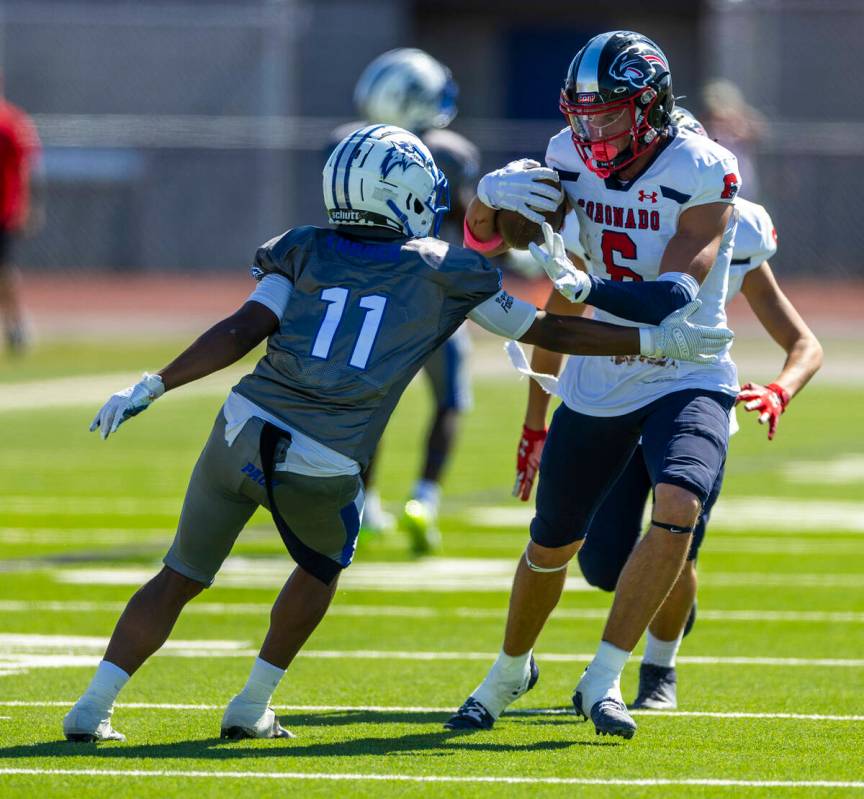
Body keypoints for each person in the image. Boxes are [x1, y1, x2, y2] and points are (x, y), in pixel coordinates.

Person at [61, 123, 728, 743]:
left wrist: (152, 383)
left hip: (241, 425)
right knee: (319, 568)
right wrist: (650, 335)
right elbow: (547, 329)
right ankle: (251, 701)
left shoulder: (300, 247)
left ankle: (91, 706)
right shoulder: (443, 268)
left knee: (178, 574)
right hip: (322, 455)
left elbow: (240, 330)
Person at [447, 30, 744, 740]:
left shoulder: (704, 166)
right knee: (553, 542)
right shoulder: (562, 154)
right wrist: (488, 201)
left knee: (678, 504)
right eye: (583, 115)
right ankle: (508, 669)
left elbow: (675, 288)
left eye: (609, 113)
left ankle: (606, 676)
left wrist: (589, 284)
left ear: (651, 106)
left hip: (687, 363)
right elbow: (489, 246)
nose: (593, 130)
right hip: (600, 372)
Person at [517, 106, 823, 712]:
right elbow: (557, 325)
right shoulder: (603, 212)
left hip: (686, 388)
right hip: (606, 394)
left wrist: (780, 388)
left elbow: (802, 341)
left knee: (675, 522)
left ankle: (658, 668)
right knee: (602, 564)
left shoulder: (727, 222)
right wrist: (536, 422)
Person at [332, 48, 481, 551]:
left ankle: (364, 504)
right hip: (435, 293)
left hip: (369, 294)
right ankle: (425, 498)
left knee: (367, 400)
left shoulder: (345, 146)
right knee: (449, 400)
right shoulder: (451, 153)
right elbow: (468, 224)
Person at [0, 79, 41, 354]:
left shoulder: (11, 121)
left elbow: (27, 166)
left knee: (4, 271)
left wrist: (26, 206)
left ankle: (16, 325)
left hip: (3, 210)